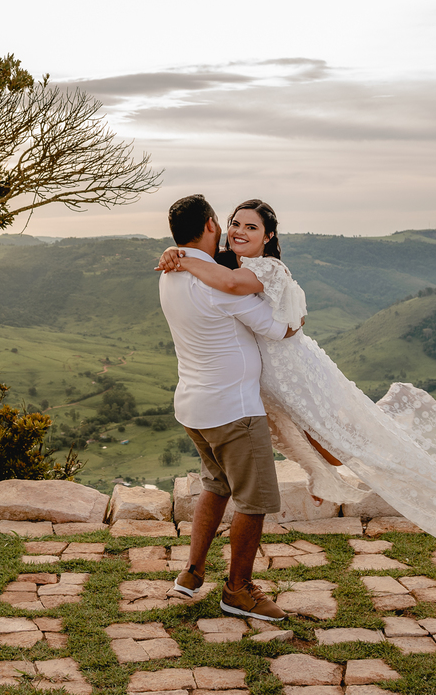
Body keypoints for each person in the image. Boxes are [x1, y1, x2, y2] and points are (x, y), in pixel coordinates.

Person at [158, 199, 436, 542]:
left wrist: (183, 258)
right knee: (304, 438)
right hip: (265, 379)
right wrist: (174, 252)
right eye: (235, 224)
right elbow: (219, 274)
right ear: (217, 226)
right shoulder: (223, 265)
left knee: (335, 442)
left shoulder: (267, 268)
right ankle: (321, 473)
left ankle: (396, 451)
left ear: (268, 236)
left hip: (292, 368)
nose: (239, 231)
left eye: (251, 227)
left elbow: (236, 288)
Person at [158, 194, 300, 621]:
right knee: (254, 501)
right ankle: (238, 589)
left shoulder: (171, 272)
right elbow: (276, 328)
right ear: (210, 225)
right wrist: (297, 319)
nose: (230, 229)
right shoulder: (217, 284)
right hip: (233, 411)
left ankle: (191, 572)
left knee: (216, 485)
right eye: (225, 221)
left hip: (194, 406)